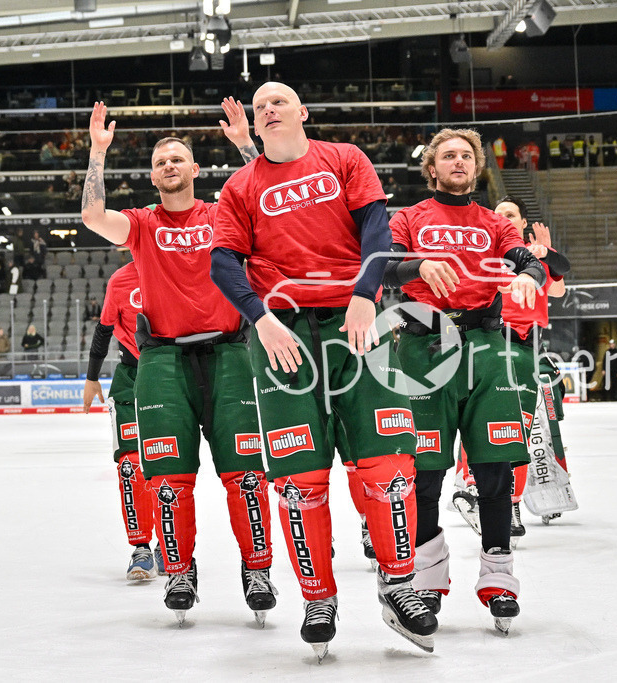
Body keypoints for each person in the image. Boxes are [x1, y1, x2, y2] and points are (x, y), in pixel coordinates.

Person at [210, 81, 437, 658]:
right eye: (261, 107)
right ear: (254, 127)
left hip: (355, 320)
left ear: (303, 112)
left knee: (387, 462)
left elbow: (377, 231)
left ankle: (400, 582)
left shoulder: (344, 159)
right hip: (282, 333)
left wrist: (366, 294)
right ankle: (318, 595)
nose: (269, 109)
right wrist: (259, 319)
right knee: (298, 476)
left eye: (279, 101)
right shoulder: (239, 186)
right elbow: (223, 262)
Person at [81, 98, 277, 626]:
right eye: (161, 161)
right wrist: (98, 153)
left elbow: (264, 195)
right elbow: (92, 216)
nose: (170, 165)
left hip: (230, 354)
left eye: (178, 159)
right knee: (168, 479)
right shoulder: (142, 224)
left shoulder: (220, 215)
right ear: (152, 175)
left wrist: (244, 143)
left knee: (247, 476)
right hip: (162, 360)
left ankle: (257, 569)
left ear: (195, 170)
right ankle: (179, 570)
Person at [383, 127, 545, 635]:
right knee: (425, 470)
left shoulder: (494, 223)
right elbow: (384, 266)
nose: (458, 162)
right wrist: (419, 263)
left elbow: (526, 260)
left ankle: (498, 575)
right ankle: (427, 579)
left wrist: (526, 277)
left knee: (495, 466)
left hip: (486, 342)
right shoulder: (408, 218)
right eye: (448, 156)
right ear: (432, 168)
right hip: (423, 344)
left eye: (466, 156)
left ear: (476, 168)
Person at [82, 261, 166, 580]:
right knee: (130, 466)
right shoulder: (120, 280)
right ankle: (142, 548)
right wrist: (92, 378)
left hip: (168, 377)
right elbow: (104, 330)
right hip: (130, 379)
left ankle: (167, 541)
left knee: (167, 465)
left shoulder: (177, 267)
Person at [494, 195, 571, 534]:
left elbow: (557, 292)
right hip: (491, 341)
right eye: (498, 215)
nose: (504, 219)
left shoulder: (536, 256)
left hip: (527, 343)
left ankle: (512, 508)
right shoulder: (486, 252)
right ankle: (474, 487)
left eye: (510, 214)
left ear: (523, 222)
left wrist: (548, 256)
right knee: (486, 423)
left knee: (520, 430)